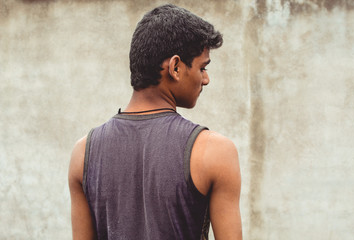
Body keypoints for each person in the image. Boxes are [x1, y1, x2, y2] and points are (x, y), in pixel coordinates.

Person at [68, 4, 242, 240]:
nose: (206, 79)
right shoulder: (214, 151)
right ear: (176, 67)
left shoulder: (83, 153)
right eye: (202, 67)